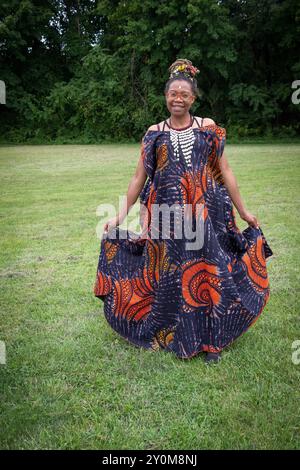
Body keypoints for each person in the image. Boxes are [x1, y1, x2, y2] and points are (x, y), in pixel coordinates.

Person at [94, 58, 273, 364]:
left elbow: (225, 171)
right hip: (165, 217)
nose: (178, 98)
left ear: (193, 98)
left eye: (184, 94)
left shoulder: (208, 128)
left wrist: (244, 211)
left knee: (208, 273)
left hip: (208, 214)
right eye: (172, 93)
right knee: (172, 275)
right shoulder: (154, 133)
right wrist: (119, 216)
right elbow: (139, 177)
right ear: (166, 97)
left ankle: (212, 342)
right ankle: (174, 332)